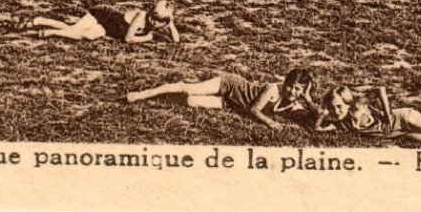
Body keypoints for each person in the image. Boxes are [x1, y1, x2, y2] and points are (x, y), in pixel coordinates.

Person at [127, 68, 315, 131]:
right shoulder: (273, 89)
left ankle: (165, 97)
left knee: (191, 101)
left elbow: (313, 114)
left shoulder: (293, 101)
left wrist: (307, 98)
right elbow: (254, 110)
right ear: (285, 82)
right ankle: (143, 94)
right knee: (187, 88)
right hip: (230, 85)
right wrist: (269, 122)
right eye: (291, 86)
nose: (292, 91)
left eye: (298, 89)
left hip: (231, 103)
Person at [317, 84, 421, 149]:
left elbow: (380, 89)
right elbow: (317, 127)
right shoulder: (340, 124)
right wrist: (323, 114)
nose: (336, 111)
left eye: (339, 106)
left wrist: (387, 114)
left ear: (347, 103)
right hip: (398, 133)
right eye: (332, 109)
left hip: (401, 118)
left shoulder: (358, 106)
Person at [30, 0, 180, 43]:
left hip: (110, 29)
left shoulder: (160, 23)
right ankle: (43, 23)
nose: (153, 22)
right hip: (105, 16)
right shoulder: (141, 16)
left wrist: (171, 23)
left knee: (87, 35)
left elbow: (176, 40)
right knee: (75, 29)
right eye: (152, 16)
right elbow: (128, 38)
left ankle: (48, 29)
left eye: (159, 21)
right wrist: (146, 38)